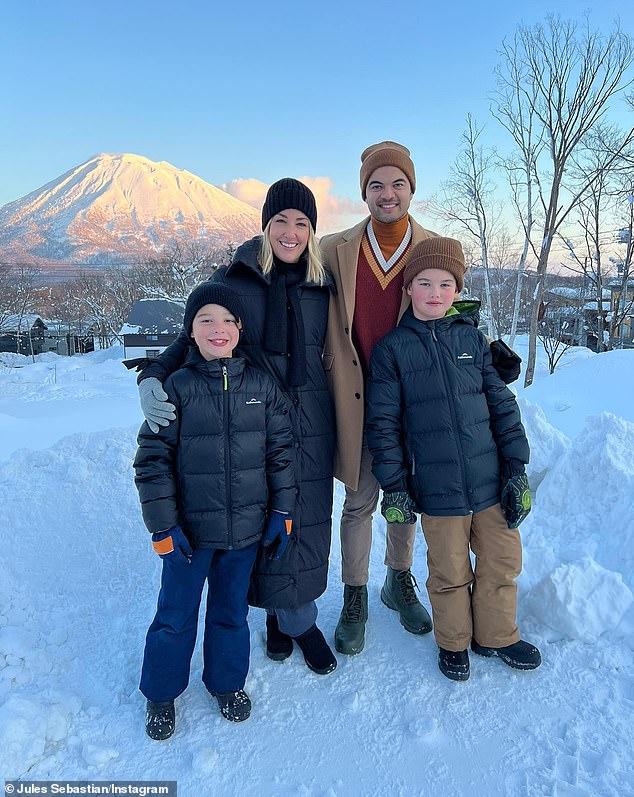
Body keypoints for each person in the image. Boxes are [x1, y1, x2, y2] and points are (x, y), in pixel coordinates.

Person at [320, 141, 521, 656]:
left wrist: (487, 355)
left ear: (412, 189)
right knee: (362, 499)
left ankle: (399, 579)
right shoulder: (334, 249)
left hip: (421, 399)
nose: (388, 194)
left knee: (408, 497)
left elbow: (457, 313)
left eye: (398, 184)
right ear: (363, 192)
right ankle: (355, 593)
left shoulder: (433, 245)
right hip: (356, 395)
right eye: (377, 185)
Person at [135, 179, 337, 676]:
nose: (291, 233)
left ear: (313, 231)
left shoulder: (323, 284)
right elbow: (198, 335)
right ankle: (273, 617)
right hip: (250, 416)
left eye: (302, 223)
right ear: (265, 226)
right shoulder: (238, 280)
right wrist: (153, 374)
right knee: (254, 515)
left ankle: (298, 620)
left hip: (313, 421)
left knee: (299, 521)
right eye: (280, 222)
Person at [365, 236, 542, 682]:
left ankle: (497, 635)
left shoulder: (471, 341)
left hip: (489, 481)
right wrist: (396, 486)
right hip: (437, 489)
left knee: (502, 563)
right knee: (449, 572)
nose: (436, 293)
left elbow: (502, 405)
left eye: (447, 284)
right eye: (425, 283)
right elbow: (383, 424)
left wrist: (516, 468)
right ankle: (454, 642)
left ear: (458, 290)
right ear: (408, 289)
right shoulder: (392, 350)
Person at [134, 284, 296, 739]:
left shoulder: (262, 387)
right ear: (190, 331)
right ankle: (161, 693)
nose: (218, 329)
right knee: (175, 614)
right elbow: (152, 462)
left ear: (240, 329)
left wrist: (282, 510)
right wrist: (163, 525)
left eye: (227, 320)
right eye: (206, 320)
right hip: (189, 534)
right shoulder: (176, 388)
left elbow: (282, 453)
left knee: (230, 614)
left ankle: (226, 684)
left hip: (244, 533)